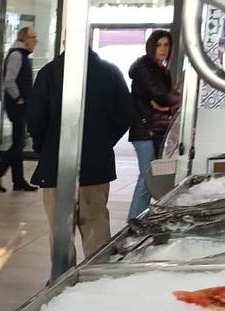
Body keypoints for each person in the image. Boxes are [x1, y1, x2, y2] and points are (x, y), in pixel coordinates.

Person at [27, 48, 131, 261]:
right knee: (96, 226)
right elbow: (125, 114)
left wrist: (45, 147)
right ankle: (98, 280)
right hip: (95, 166)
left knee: (60, 232)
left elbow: (35, 119)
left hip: (56, 166)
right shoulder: (110, 72)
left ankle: (62, 283)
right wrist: (103, 141)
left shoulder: (49, 73)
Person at [127, 30, 181, 220]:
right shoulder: (145, 68)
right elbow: (163, 96)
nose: (163, 49)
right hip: (144, 130)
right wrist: (179, 99)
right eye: (159, 45)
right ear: (151, 46)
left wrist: (165, 105)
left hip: (156, 130)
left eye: (166, 45)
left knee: (153, 175)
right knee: (147, 176)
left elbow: (163, 101)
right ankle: (134, 220)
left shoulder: (160, 70)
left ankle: (140, 217)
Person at [0, 27, 38, 192]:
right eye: (33, 37)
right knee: (19, 143)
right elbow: (9, 81)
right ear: (25, 38)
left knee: (18, 142)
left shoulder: (21, 54)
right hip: (17, 106)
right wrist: (19, 99)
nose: (36, 41)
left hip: (19, 105)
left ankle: (18, 180)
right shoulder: (17, 55)